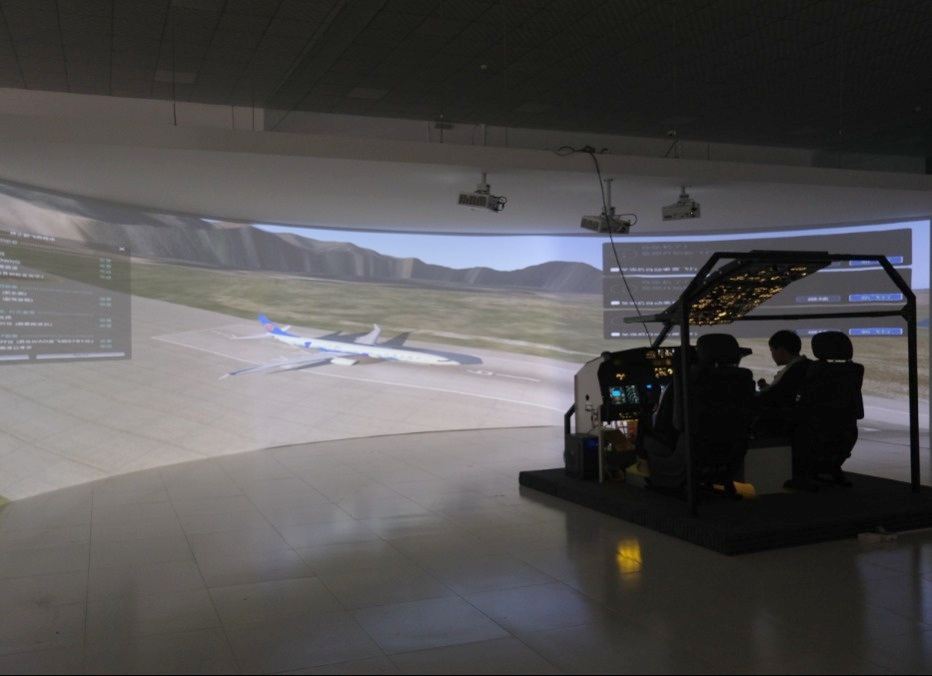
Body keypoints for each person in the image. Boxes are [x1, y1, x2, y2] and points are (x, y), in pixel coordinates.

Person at [757, 330, 810, 409]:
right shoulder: (807, 366)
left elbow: (778, 399)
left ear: (781, 350)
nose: (772, 354)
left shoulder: (793, 373)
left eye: (772, 350)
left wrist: (768, 390)